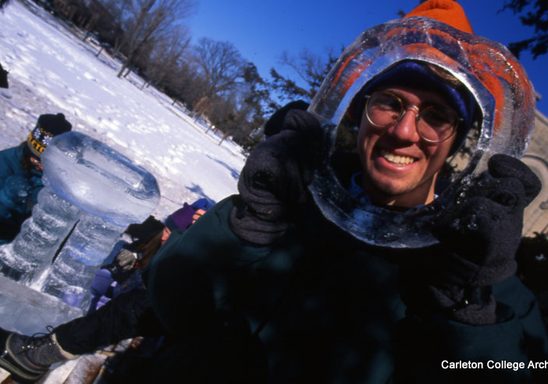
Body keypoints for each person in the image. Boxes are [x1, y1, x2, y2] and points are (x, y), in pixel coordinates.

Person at [1, 1, 546, 383]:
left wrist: (472, 303)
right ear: (359, 111)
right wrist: (249, 223)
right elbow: (167, 298)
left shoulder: (469, 259)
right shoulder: (299, 193)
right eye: (391, 103)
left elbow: (517, 369)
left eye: (435, 115)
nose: (405, 131)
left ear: (458, 142)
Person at [0, 199, 213, 383]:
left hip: (118, 343)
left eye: (172, 233)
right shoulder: (152, 250)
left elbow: (137, 313)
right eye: (165, 230)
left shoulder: (176, 274)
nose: (165, 237)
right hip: (102, 326)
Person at [0, 113, 72, 244]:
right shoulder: (5, 163)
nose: (40, 165)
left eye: (46, 161)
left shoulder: (58, 175)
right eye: (36, 159)